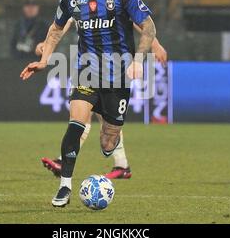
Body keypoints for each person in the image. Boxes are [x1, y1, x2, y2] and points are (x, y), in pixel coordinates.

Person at [20, 0, 157, 207]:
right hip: (86, 71)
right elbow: (57, 28)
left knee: (108, 141)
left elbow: (149, 27)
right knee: (76, 123)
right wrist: (45, 60)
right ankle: (65, 187)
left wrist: (139, 59)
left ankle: (116, 157)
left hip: (118, 75)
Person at [37, 19, 168, 180]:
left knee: (103, 122)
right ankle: (118, 165)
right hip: (87, 67)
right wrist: (46, 43)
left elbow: (137, 20)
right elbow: (64, 21)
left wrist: (155, 44)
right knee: (83, 116)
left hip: (113, 67)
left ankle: (120, 165)